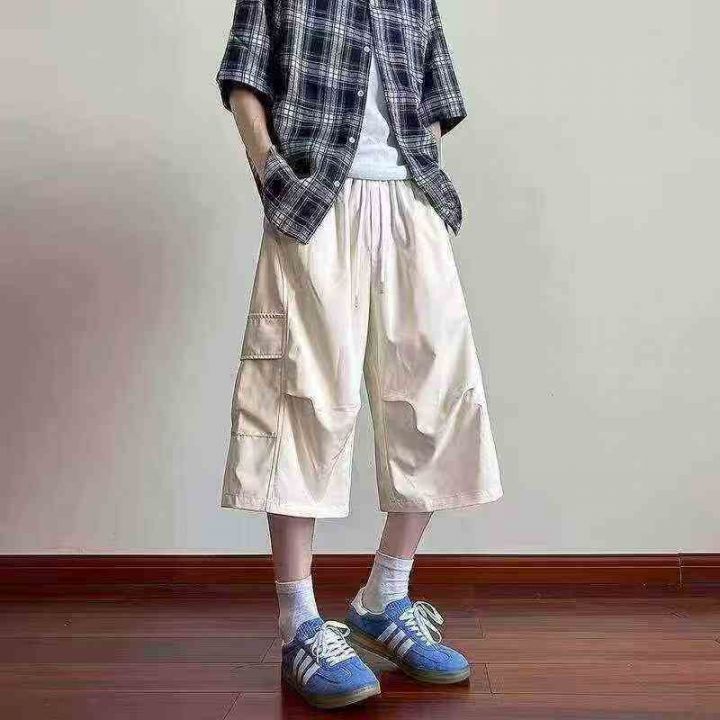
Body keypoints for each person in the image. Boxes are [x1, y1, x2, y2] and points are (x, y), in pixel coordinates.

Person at [215, 0, 502, 709]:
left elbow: (435, 97)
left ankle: (386, 595)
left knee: (435, 393)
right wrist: (272, 172)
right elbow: (244, 79)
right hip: (315, 201)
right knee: (301, 395)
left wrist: (423, 188)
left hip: (409, 202)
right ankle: (299, 622)